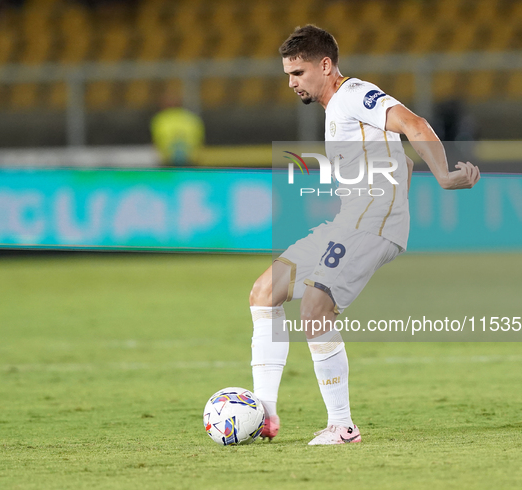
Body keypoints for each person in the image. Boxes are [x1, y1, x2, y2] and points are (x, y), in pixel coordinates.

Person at [249, 25, 480, 446]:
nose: (291, 82)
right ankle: (263, 413)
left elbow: (413, 122)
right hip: (349, 221)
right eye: (287, 74)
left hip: (369, 223)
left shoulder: (354, 94)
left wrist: (443, 177)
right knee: (265, 292)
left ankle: (342, 426)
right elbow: (402, 162)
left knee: (316, 308)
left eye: (298, 72)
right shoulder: (338, 111)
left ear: (325, 65)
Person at [150, 92, 205, 167]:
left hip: (168, 161)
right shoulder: (192, 118)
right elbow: (200, 141)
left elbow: (155, 141)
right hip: (190, 161)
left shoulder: (160, 119)